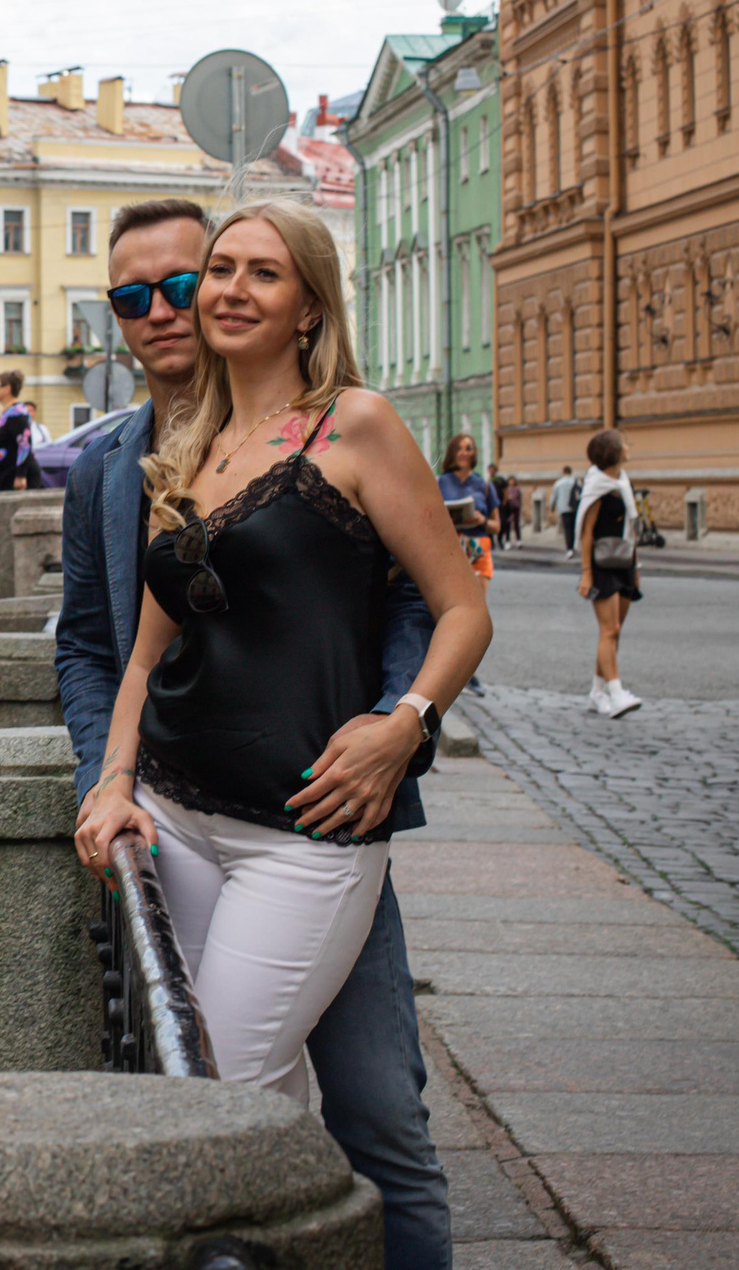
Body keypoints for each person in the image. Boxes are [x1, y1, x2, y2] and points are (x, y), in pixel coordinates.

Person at [56, 197, 456, 1270]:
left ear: (299, 301)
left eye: (190, 280)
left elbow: (421, 604)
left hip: (320, 809)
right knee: (230, 1092)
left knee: (373, 1114)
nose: (170, 307)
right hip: (180, 811)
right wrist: (108, 780)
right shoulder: (123, 464)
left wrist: (395, 731)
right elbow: (99, 648)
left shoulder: (349, 426)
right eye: (132, 296)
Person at [574, 429, 645, 717]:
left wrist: (636, 567)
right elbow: (586, 532)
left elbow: (631, 530)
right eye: (624, 443)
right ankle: (616, 694)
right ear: (613, 451)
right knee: (609, 630)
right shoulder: (597, 486)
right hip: (601, 565)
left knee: (615, 632)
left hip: (624, 561)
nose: (628, 446)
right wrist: (586, 573)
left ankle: (597, 692)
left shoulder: (623, 482)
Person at [437, 435, 500, 583]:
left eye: (468, 449)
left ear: (474, 453)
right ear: (452, 453)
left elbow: (497, 527)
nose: (463, 453)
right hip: (449, 549)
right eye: (459, 449)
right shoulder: (439, 483)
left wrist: (481, 520)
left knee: (478, 597)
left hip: (478, 550)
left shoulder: (484, 485)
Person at [0, 370, 44, 492]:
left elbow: (24, 444)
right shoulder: (7, 414)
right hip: (7, 475)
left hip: (18, 478)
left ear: (7, 388)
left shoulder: (17, 413)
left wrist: (21, 476)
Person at [549, 464, 579, 552]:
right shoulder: (576, 482)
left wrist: (552, 507)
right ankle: (573, 545)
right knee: (573, 528)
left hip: (563, 508)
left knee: (567, 528)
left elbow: (554, 496)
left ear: (563, 472)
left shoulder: (558, 483)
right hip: (574, 508)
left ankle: (569, 548)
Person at [497, 471, 522, 549]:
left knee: (516, 524)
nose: (511, 482)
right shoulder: (507, 489)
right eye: (510, 480)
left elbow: (519, 498)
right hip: (508, 508)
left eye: (513, 480)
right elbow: (505, 497)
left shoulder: (517, 489)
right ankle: (507, 541)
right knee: (507, 525)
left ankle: (518, 540)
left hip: (516, 508)